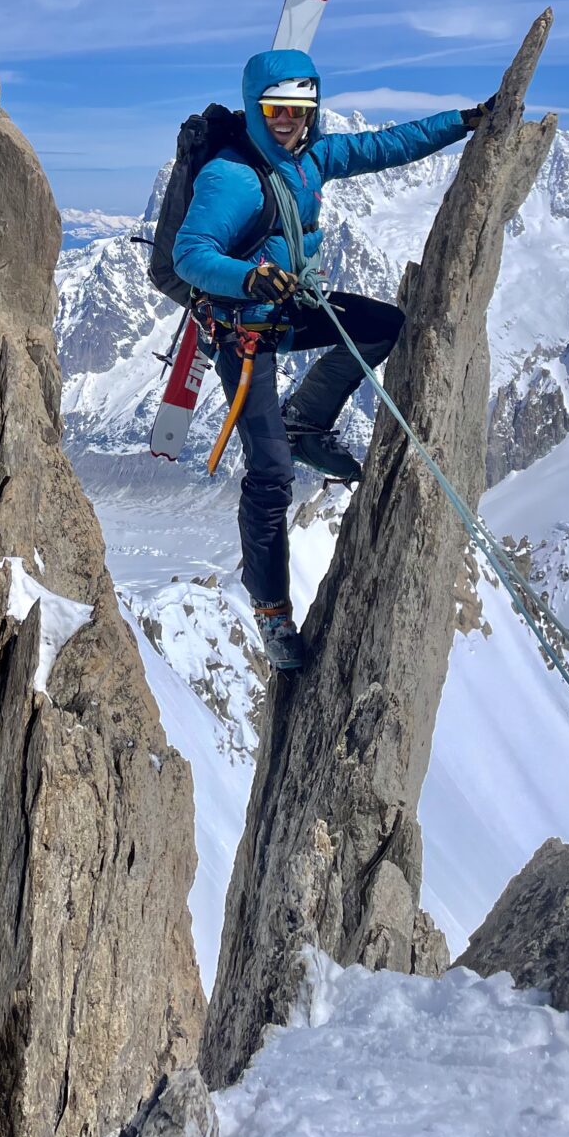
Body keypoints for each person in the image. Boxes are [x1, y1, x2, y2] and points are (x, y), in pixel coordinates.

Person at [172, 44, 492, 670]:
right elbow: (190, 253)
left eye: (300, 109)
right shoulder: (230, 178)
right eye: (276, 110)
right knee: (269, 475)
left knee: (382, 326)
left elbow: (384, 149)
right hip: (243, 332)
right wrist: (248, 278)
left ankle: (305, 422)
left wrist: (461, 121)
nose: (289, 121)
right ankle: (271, 616)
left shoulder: (313, 155)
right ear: (256, 109)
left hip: (287, 307)